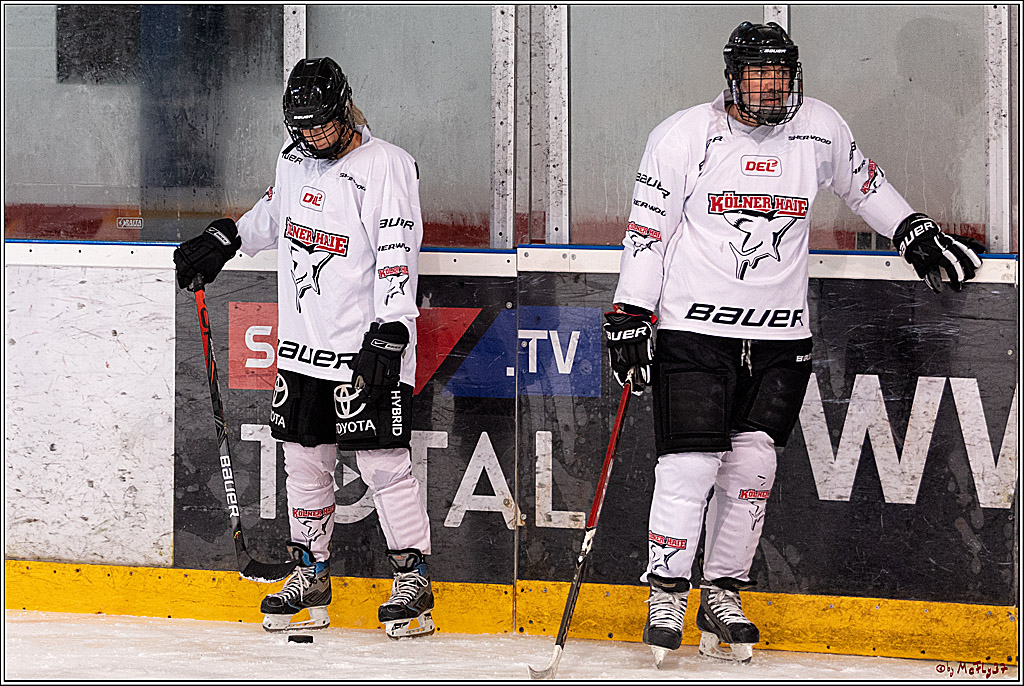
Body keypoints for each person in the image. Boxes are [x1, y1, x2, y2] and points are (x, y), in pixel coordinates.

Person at [603, 22, 983, 665]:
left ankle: (722, 591)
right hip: (693, 331)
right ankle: (667, 589)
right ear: (733, 77)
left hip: (781, 335)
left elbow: (864, 185)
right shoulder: (682, 136)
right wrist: (632, 311)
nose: (773, 85)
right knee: (691, 465)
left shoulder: (820, 127)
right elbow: (647, 234)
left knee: (753, 469)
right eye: (759, 73)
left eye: (781, 73)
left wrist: (912, 230)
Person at [173, 57, 435, 640]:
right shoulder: (293, 160)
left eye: (320, 124)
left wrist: (390, 330)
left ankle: (413, 582)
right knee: (305, 462)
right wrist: (226, 238)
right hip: (302, 349)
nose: (311, 136)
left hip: (367, 349)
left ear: (344, 111)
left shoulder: (385, 166)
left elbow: (398, 251)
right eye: (301, 126)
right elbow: (274, 215)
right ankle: (310, 573)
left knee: (383, 465)